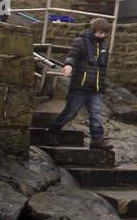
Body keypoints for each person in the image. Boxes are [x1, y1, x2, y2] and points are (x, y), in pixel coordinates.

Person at [43, 17, 112, 150]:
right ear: (94, 30)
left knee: (96, 114)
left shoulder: (104, 47)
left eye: (104, 33)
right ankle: (51, 132)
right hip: (80, 85)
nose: (102, 35)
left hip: (95, 88)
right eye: (100, 32)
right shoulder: (81, 42)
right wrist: (68, 65)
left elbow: (102, 68)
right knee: (70, 112)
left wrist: (102, 86)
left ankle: (97, 139)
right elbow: (72, 55)